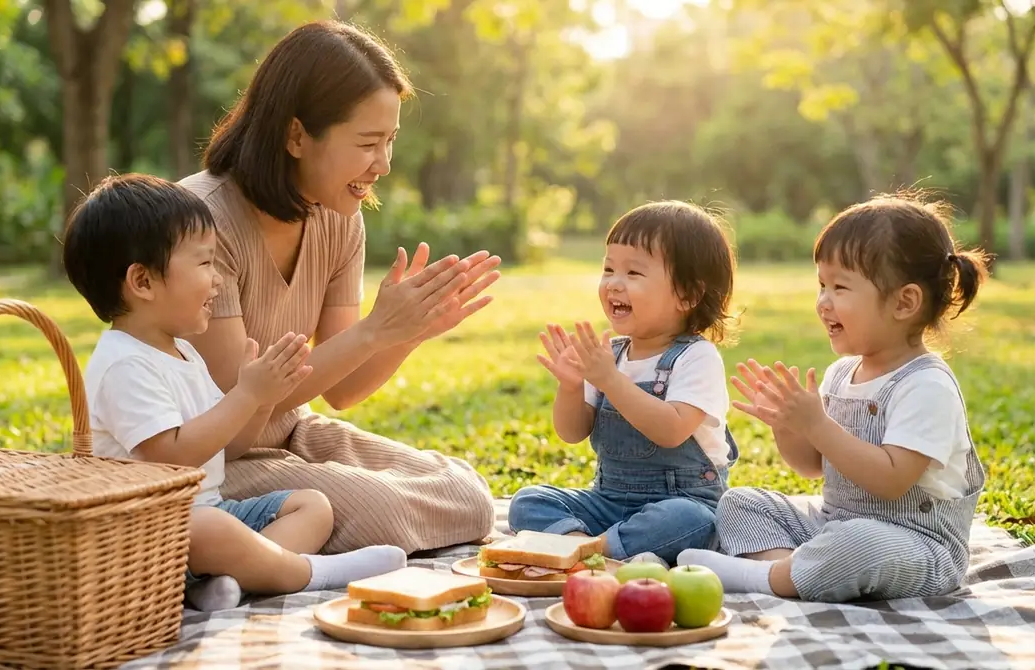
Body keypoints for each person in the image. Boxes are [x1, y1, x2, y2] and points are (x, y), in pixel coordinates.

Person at [177, 20, 501, 555]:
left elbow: (342, 389)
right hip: (214, 458)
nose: (385, 164)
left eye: (390, 141)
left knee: (466, 493)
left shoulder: (338, 218)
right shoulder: (201, 221)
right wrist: (376, 329)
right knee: (387, 510)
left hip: (288, 433)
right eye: (369, 143)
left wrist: (407, 332)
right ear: (297, 135)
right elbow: (241, 401)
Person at [64, 173, 407, 612]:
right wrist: (244, 396)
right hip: (147, 533)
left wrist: (261, 399)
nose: (219, 281)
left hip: (206, 516)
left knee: (312, 506)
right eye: (205, 264)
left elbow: (230, 447)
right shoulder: (124, 363)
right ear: (143, 282)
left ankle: (227, 583)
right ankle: (312, 574)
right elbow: (170, 458)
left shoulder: (183, 351)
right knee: (210, 531)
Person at [677, 192, 989, 603]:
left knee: (857, 544)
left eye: (840, 287)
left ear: (904, 302)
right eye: (821, 285)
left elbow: (892, 481)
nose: (823, 302)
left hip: (916, 545)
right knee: (741, 502)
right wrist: (789, 428)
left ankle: (771, 577)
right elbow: (811, 467)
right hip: (835, 523)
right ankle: (792, 573)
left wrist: (819, 425)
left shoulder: (927, 385)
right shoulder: (842, 373)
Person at [506, 201, 741, 564]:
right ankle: (594, 545)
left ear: (688, 295)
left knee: (692, 522)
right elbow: (572, 432)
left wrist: (611, 381)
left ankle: (590, 550)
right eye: (609, 269)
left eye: (634, 273)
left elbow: (671, 430)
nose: (614, 283)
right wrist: (570, 386)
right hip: (608, 502)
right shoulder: (609, 356)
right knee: (529, 501)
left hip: (683, 502)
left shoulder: (697, 357)